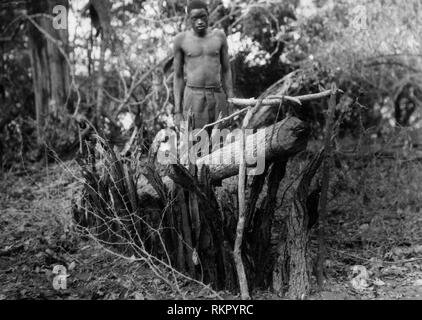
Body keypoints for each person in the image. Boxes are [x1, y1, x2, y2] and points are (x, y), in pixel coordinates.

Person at [173, 0, 234, 132]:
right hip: (193, 97)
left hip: (217, 94)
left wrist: (231, 100)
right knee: (196, 141)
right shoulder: (181, 40)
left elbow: (226, 70)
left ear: (208, 15)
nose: (199, 22)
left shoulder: (219, 36)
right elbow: (177, 76)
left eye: (203, 17)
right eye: (195, 18)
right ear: (189, 19)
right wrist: (177, 111)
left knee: (221, 138)